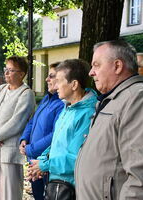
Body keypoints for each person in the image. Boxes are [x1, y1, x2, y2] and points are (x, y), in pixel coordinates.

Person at [75, 40, 143, 199]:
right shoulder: (111, 99)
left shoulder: (136, 99)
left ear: (117, 66)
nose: (91, 72)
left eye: (96, 65)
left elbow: (139, 175)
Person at [27, 59, 97, 200]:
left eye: (59, 81)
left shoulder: (88, 113)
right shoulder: (68, 107)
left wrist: (45, 165)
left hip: (71, 187)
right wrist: (40, 162)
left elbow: (77, 158)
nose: (56, 85)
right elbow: (56, 142)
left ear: (74, 85)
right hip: (57, 182)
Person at [0, 56, 36, 200]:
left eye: (11, 70)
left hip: (10, 151)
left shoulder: (26, 94)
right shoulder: (1, 89)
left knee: (10, 191)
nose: (6, 73)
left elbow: (17, 121)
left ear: (21, 74)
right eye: (6, 69)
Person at [19, 62, 64, 200]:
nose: (47, 79)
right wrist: (24, 139)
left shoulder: (62, 103)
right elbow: (32, 121)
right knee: (38, 195)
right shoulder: (46, 98)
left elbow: (55, 135)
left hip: (46, 163)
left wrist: (30, 149)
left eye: (51, 76)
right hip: (34, 159)